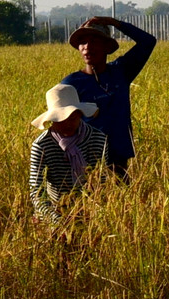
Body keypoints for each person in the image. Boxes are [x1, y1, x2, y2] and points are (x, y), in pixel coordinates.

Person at [61, 16, 155, 181]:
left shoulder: (121, 72)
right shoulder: (71, 84)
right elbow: (61, 124)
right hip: (85, 162)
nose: (87, 47)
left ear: (106, 46)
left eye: (94, 41)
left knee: (122, 201)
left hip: (119, 157)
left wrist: (116, 23)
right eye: (82, 42)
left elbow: (148, 41)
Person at [27, 84, 108, 225]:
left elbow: (100, 183)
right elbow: (37, 191)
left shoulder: (97, 139)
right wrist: (56, 221)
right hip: (54, 210)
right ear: (51, 120)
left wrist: (94, 215)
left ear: (79, 115)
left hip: (90, 210)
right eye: (60, 120)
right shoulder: (41, 145)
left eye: (71, 118)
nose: (67, 125)